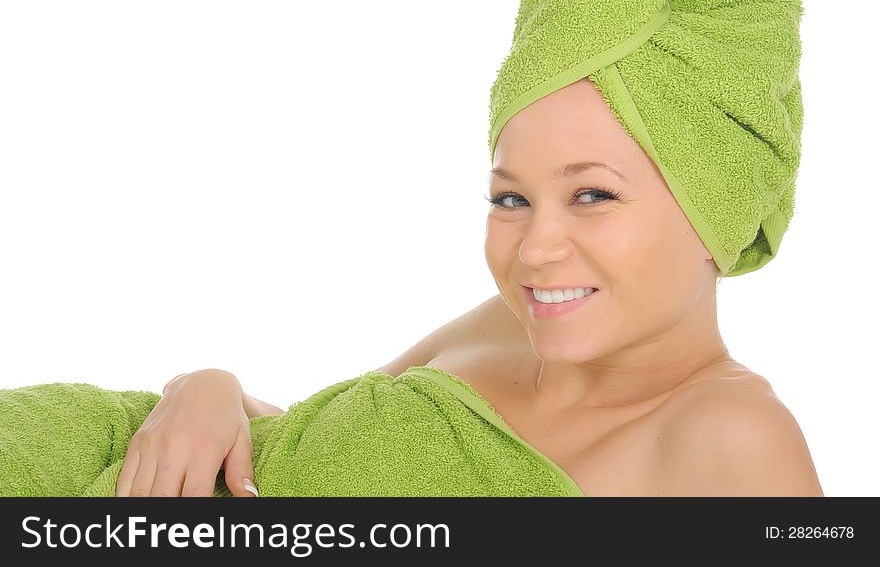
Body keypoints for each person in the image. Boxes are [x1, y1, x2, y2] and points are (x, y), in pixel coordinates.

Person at [116, 78, 822, 497]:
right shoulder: (504, 324)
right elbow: (305, 446)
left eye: (593, 194)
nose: (536, 250)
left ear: (716, 217)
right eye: (511, 200)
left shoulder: (735, 438)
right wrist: (204, 388)